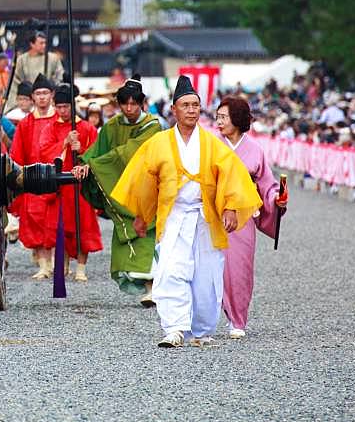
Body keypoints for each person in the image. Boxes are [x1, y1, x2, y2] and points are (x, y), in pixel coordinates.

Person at [111, 76, 261, 348]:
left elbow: (232, 175)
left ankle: (202, 330)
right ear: (174, 110)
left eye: (196, 105)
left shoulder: (212, 143)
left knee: (206, 277)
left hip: (205, 218)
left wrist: (229, 208)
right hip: (175, 217)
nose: (192, 110)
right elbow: (144, 180)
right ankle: (175, 328)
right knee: (170, 271)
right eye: (186, 105)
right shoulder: (159, 143)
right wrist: (142, 215)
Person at [73, 77, 163, 305]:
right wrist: (84, 161)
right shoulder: (113, 125)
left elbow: (131, 152)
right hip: (122, 190)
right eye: (125, 104)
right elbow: (98, 149)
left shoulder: (152, 126)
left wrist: (96, 164)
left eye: (134, 104)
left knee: (149, 235)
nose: (130, 109)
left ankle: (155, 287)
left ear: (142, 104)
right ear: (119, 104)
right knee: (128, 233)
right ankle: (149, 287)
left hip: (148, 190)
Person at [214, 96, 289, 339]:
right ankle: (207, 315)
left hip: (243, 216)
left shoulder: (255, 150)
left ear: (237, 118)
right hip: (214, 214)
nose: (219, 121)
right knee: (209, 268)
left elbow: (267, 185)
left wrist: (277, 197)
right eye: (217, 116)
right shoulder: (212, 146)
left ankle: (237, 319)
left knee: (240, 269)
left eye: (223, 117)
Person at [37, 84, 100, 280]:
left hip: (81, 186)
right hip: (60, 185)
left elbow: (97, 155)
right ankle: (62, 265)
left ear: (73, 106)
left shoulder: (87, 128)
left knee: (83, 226)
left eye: (66, 106)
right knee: (60, 227)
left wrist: (81, 149)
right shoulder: (50, 128)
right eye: (60, 107)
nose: (63, 110)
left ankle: (81, 268)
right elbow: (44, 151)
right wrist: (64, 143)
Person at [9, 74, 59, 278]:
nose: (42, 98)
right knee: (35, 222)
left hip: (56, 178)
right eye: (38, 94)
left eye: (45, 93)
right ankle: (43, 265)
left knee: (54, 221)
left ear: (52, 95)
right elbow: (17, 153)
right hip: (32, 178)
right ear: (32, 97)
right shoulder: (25, 124)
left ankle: (56, 262)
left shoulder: (60, 120)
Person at [3, 32, 65, 113]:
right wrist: (17, 103)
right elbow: (15, 82)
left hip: (48, 99)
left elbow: (60, 77)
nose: (44, 45)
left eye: (45, 43)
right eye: (41, 43)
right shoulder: (22, 60)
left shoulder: (53, 58)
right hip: (27, 101)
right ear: (32, 44)